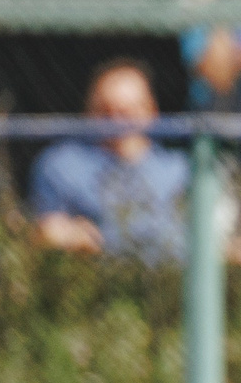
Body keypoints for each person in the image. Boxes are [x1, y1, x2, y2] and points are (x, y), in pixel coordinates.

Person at [28, 59, 191, 264]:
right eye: (106, 112)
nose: (118, 122)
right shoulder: (60, 166)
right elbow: (44, 231)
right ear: (89, 113)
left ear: (152, 111)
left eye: (128, 112)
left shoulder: (181, 169)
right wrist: (65, 235)